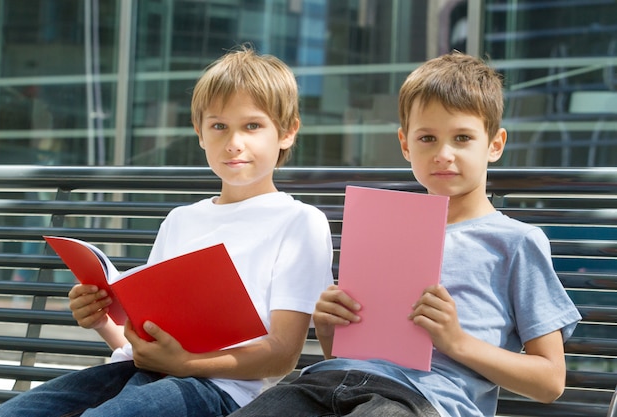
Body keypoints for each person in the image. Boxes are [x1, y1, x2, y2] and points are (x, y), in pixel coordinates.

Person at [229, 52, 582, 417]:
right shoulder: (381, 230)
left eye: (462, 138)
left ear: (494, 144)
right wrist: (329, 327)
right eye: (427, 138)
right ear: (405, 144)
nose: (444, 154)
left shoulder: (515, 242)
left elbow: (550, 381)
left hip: (421, 399)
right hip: (326, 382)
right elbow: (347, 355)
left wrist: (456, 341)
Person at [0, 46, 334, 417]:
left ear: (287, 132)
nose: (234, 142)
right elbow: (145, 339)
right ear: (199, 133)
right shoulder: (181, 220)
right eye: (219, 126)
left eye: (252, 126)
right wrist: (102, 319)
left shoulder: (299, 221)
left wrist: (187, 364)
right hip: (131, 372)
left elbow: (283, 354)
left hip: (218, 390)